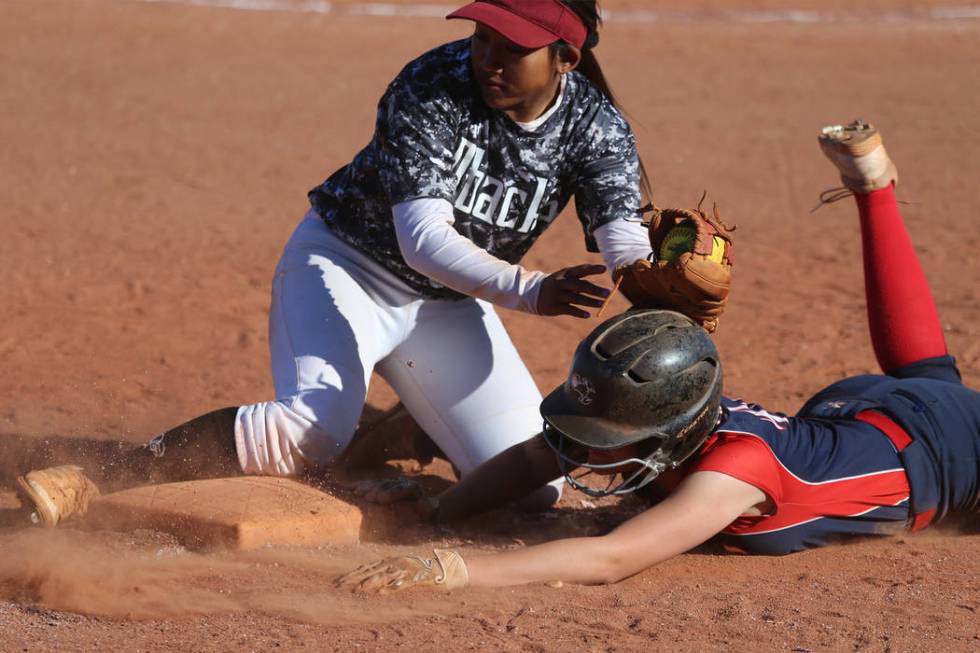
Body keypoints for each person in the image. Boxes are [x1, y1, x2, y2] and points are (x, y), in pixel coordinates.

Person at [14, 0, 664, 526]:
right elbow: (421, 241)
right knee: (309, 432)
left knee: (527, 487)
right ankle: (101, 477)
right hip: (345, 267)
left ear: (565, 59)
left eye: (512, 48)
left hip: (441, 307)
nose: (489, 58)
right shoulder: (432, 84)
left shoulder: (598, 128)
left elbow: (622, 244)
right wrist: (530, 289)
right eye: (483, 37)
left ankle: (403, 428)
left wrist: (652, 275)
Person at [335, 120, 980, 593]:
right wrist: (440, 512)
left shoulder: (733, 474)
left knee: (930, 380)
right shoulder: (653, 409)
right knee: (926, 378)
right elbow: (539, 454)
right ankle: (875, 190)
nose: (583, 446)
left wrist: (455, 569)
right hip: (868, 417)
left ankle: (875, 188)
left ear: (669, 435)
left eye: (601, 437)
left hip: (952, 447)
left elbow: (609, 560)